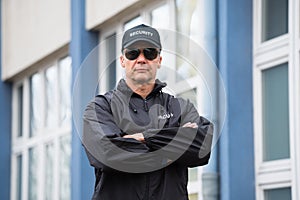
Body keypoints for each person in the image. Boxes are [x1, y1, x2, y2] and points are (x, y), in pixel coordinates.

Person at [82, 24, 213, 200]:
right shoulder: (100, 107)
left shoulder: (179, 107)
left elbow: (201, 147)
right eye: (133, 53)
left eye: (149, 52)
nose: (141, 59)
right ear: (122, 60)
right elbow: (107, 154)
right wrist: (171, 148)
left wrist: (142, 137)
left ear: (159, 60)